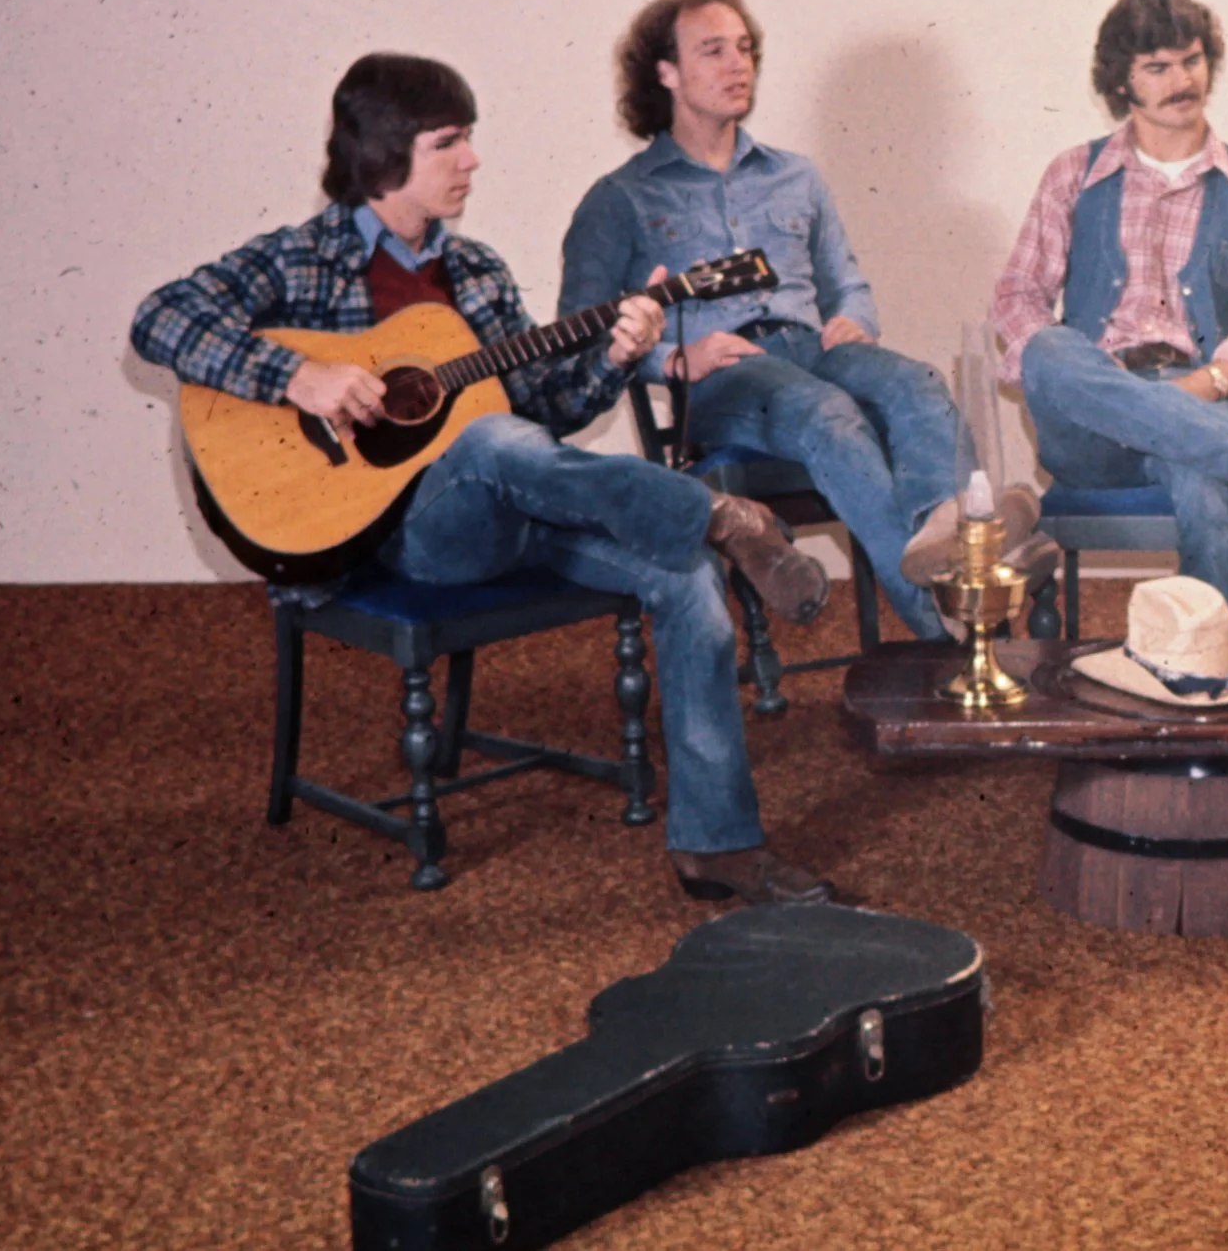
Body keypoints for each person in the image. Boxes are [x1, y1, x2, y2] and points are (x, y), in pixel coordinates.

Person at [131, 53, 843, 905]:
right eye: (448, 143)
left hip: (508, 512)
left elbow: (547, 412)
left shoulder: (475, 272)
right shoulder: (300, 261)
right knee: (493, 440)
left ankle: (718, 847)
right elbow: (159, 318)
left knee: (682, 572)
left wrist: (616, 357)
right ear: (383, 154)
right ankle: (721, 514)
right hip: (390, 544)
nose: (472, 160)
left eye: (468, 139)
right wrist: (298, 377)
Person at [560, 0, 970, 640]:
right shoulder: (619, 199)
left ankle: (942, 547)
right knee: (828, 414)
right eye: (713, 50)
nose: (738, 64)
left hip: (816, 353)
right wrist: (673, 360)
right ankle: (949, 629)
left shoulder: (797, 176)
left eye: (745, 49)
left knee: (919, 383)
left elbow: (847, 284)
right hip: (726, 380)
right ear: (665, 72)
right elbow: (579, 342)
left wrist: (854, 319)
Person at [987, 0, 1228, 635]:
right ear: (1122, 82)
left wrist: (1187, 394)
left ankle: (1215, 674)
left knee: (1206, 488)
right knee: (1049, 347)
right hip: (1091, 427)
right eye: (1158, 67)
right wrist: (1108, 390)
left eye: (1192, 60)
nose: (1183, 80)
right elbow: (1016, 299)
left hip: (1201, 398)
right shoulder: (1072, 174)